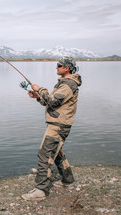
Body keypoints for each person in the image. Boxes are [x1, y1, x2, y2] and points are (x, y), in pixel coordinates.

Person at [22, 56, 82, 201]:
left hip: (58, 126)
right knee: (56, 155)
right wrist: (38, 96)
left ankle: (41, 191)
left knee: (44, 156)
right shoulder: (63, 84)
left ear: (66, 68)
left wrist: (40, 89)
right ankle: (68, 182)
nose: (56, 67)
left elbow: (54, 102)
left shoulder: (68, 84)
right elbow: (49, 102)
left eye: (59, 65)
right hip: (57, 125)